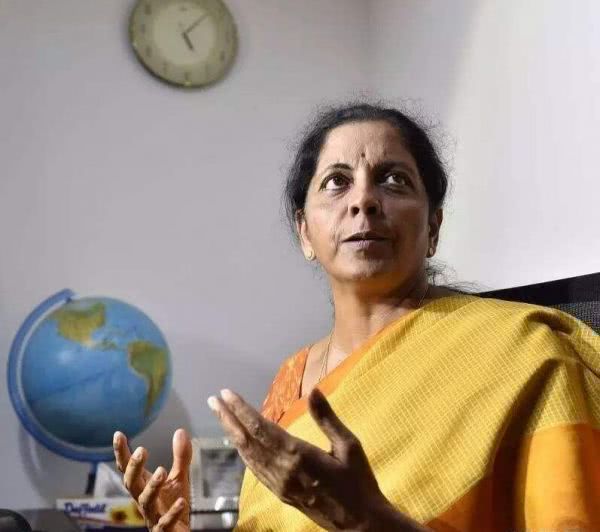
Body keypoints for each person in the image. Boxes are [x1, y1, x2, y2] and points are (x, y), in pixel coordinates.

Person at [113, 103, 600, 531]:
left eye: (394, 179)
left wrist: (363, 519)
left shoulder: (528, 354)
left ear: (433, 226)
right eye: (336, 182)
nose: (363, 200)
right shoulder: (291, 380)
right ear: (305, 233)